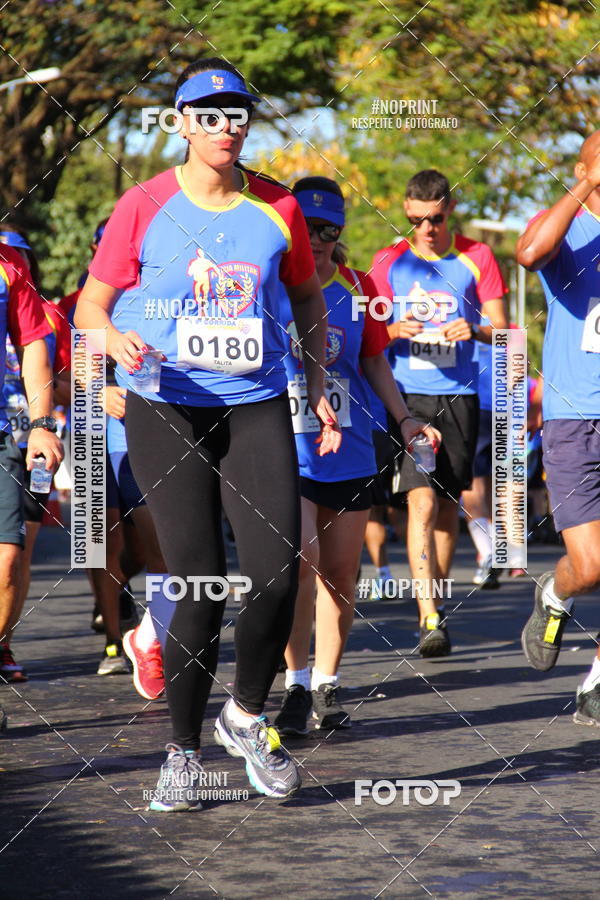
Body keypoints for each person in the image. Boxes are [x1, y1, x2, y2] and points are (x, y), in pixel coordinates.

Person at [75, 57, 341, 810]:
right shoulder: (144, 204)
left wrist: (317, 384)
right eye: (212, 115)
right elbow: (92, 306)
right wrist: (114, 345)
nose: (229, 127)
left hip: (254, 403)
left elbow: (308, 298)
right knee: (196, 582)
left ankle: (247, 716)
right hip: (167, 408)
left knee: (279, 571)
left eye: (239, 115)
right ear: (183, 122)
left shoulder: (278, 207)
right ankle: (182, 754)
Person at [274, 177, 440, 736]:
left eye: (329, 230)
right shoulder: (269, 283)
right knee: (298, 565)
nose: (318, 239)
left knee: (340, 575)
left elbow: (373, 364)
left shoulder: (359, 288)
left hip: (348, 451)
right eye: (308, 228)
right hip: (286, 450)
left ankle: (326, 683)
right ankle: (294, 684)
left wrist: (405, 419)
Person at [371, 169, 508, 657]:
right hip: (408, 398)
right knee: (421, 502)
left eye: (435, 219)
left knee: (448, 506)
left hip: (460, 398)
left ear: (450, 211)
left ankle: (437, 605)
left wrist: (474, 330)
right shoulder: (389, 260)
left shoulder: (477, 257)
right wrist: (393, 330)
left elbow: (505, 332)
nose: (426, 229)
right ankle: (428, 614)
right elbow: (369, 334)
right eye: (416, 220)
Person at [517, 131, 600, 726]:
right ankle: (556, 591)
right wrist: (588, 186)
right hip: (575, 420)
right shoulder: (566, 227)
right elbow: (527, 253)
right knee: (591, 565)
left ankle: (596, 681)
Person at [0, 226, 70, 683]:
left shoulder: (67, 312)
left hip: (31, 434)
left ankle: (114, 620)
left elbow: (65, 370)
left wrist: (45, 423)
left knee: (15, 554)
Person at [461, 336, 500, 589]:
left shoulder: (464, 320)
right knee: (495, 487)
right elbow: (521, 369)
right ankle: (501, 552)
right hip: (505, 409)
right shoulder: (508, 326)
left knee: (472, 488)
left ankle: (488, 554)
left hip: (475, 406)